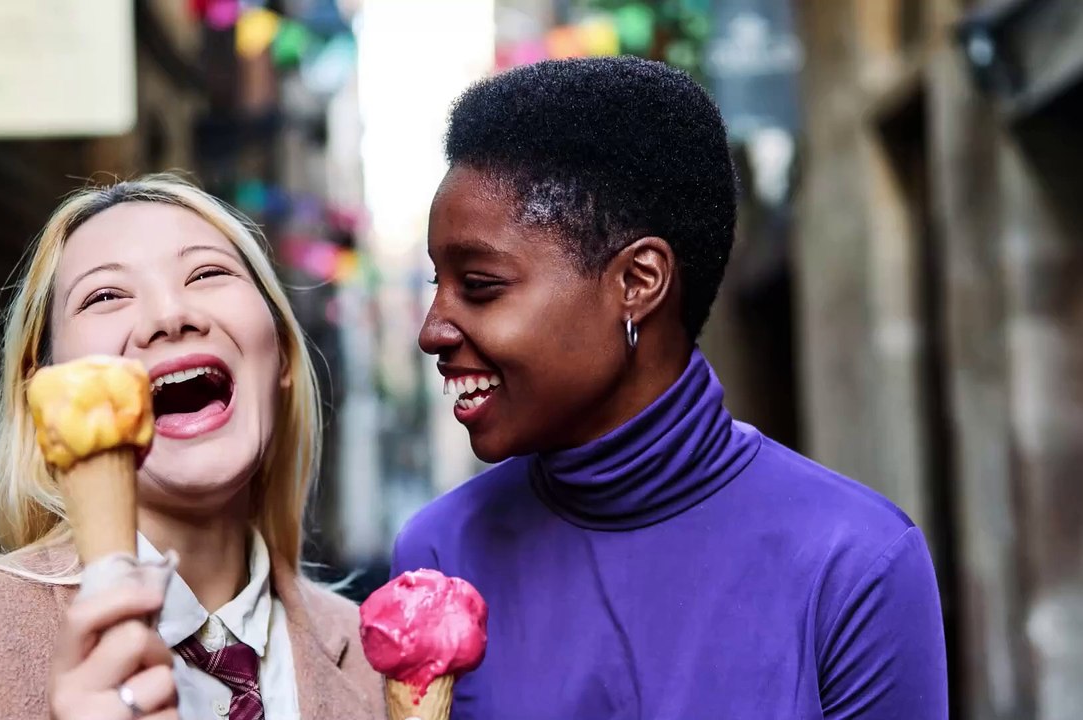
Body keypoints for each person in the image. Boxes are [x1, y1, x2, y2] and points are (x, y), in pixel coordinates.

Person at [391, 56, 949, 719]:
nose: (432, 331)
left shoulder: (855, 561)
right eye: (438, 286)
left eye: (479, 287)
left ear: (638, 281)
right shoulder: (440, 554)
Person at [0, 175, 385, 720]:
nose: (170, 316)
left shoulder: (377, 667)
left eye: (208, 273)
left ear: (284, 358)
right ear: (48, 392)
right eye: (105, 295)